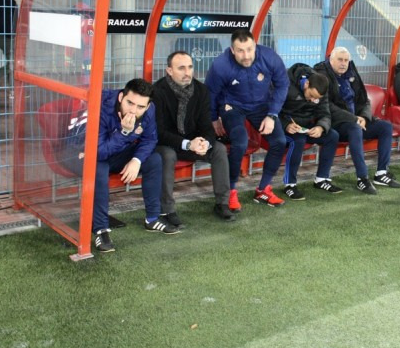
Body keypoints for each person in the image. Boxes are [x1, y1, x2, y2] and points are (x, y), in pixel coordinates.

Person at [61, 79, 178, 253]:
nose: (133, 110)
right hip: (77, 151)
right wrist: (124, 133)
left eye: (140, 107)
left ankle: (152, 218)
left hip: (111, 150)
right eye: (130, 103)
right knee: (99, 168)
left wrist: (136, 160)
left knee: (153, 159)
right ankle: (101, 229)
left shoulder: (149, 109)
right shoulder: (101, 106)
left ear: (147, 106)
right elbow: (98, 152)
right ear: (121, 97)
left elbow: (150, 139)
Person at [205, 28, 289, 209]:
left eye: (249, 49)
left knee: (279, 142)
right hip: (232, 106)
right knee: (240, 142)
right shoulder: (221, 65)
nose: (246, 55)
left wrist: (272, 114)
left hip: (261, 106)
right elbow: (211, 94)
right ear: (232, 50)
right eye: (240, 51)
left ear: (255, 46)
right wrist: (214, 119)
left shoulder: (269, 57)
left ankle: (263, 190)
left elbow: (283, 84)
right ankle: (230, 191)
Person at [153, 51, 235, 226]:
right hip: (166, 143)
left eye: (190, 67)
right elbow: (159, 132)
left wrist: (205, 142)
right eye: (181, 68)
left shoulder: (201, 90)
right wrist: (187, 144)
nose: (187, 72)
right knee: (167, 155)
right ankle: (167, 209)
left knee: (219, 149)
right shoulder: (157, 91)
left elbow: (207, 126)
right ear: (169, 70)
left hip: (193, 142)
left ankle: (222, 203)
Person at [314, 47, 400, 194]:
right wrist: (354, 119)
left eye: (346, 60)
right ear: (331, 60)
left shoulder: (351, 73)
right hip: (336, 124)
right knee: (355, 129)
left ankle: (381, 173)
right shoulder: (321, 75)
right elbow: (327, 106)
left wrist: (364, 118)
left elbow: (364, 100)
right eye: (340, 60)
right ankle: (362, 178)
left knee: (385, 126)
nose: (343, 63)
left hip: (357, 121)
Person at [279, 63, 342, 200]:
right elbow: (272, 110)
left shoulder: (321, 88)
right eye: (312, 96)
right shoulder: (285, 83)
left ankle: (321, 179)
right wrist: (286, 125)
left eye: (317, 98)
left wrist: (320, 127)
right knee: (298, 140)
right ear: (306, 84)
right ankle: (289, 185)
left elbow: (325, 114)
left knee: (332, 136)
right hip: (284, 127)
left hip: (306, 128)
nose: (314, 100)